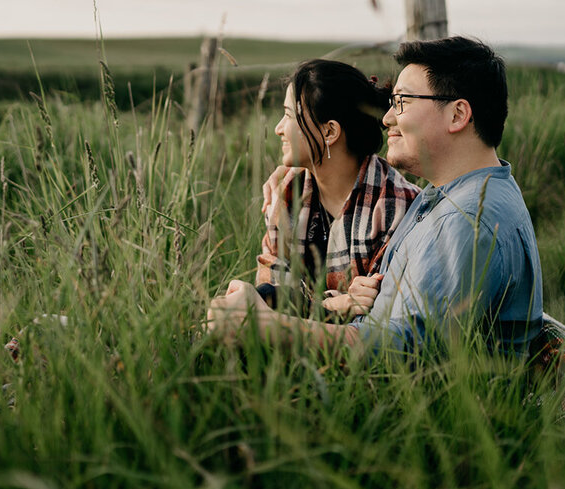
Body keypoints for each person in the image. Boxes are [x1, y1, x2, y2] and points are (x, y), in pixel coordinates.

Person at [208, 36, 544, 360]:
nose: (387, 118)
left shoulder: (465, 221)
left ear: (457, 115)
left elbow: (406, 352)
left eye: (402, 102)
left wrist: (269, 326)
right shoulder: (449, 197)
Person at [255, 59, 420, 318]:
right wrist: (333, 304)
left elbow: (376, 311)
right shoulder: (286, 193)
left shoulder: (394, 207)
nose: (278, 129)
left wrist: (294, 301)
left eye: (288, 116)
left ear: (330, 131)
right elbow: (267, 294)